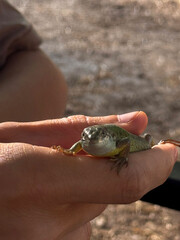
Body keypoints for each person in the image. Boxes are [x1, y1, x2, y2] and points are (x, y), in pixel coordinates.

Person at [0, 1, 178, 239]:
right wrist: (70, 152)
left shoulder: (115, 141)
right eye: (85, 136)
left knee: (146, 140)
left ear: (106, 136)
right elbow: (82, 143)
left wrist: (120, 159)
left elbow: (35, 64)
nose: (88, 139)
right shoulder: (86, 140)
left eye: (96, 135)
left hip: (138, 143)